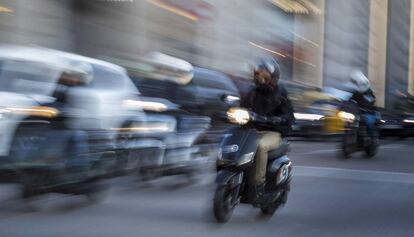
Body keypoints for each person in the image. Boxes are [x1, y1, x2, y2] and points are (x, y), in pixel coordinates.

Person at [242, 58, 294, 197]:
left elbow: (289, 115)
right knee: (230, 139)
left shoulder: (281, 93)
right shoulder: (251, 92)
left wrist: (278, 119)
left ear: (273, 77)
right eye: (258, 73)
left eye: (263, 74)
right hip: (251, 130)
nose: (259, 77)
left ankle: (258, 184)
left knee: (259, 146)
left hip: (272, 132)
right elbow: (241, 107)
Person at [348, 70, 378, 136]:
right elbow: (350, 100)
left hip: (367, 113)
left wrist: (368, 108)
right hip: (357, 113)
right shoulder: (356, 93)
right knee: (347, 121)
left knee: (369, 124)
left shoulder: (369, 93)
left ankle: (372, 138)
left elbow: (371, 101)